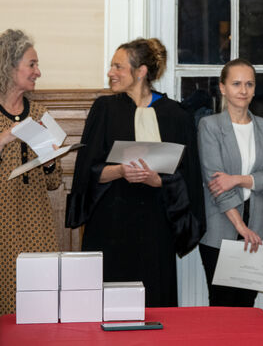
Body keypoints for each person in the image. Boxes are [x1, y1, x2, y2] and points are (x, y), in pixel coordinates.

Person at [65, 37, 205, 307]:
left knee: (154, 302)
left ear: (141, 72)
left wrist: (158, 181)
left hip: (155, 226)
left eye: (118, 67)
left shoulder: (176, 116)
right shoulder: (104, 110)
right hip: (110, 223)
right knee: (108, 303)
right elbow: (87, 173)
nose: (110, 73)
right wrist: (119, 170)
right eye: (111, 66)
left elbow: (189, 179)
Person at [197, 58, 263, 307]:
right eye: (236, 84)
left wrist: (237, 179)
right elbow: (215, 184)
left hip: (258, 227)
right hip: (221, 228)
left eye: (249, 84)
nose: (243, 90)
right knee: (222, 307)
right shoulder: (209, 126)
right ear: (222, 88)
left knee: (247, 308)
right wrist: (241, 228)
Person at [0, 29, 63, 315]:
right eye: (32, 64)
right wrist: (7, 136)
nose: (38, 72)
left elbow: (54, 181)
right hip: (3, 221)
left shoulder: (40, 113)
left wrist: (50, 160)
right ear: (9, 66)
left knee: (39, 301)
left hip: (36, 222)